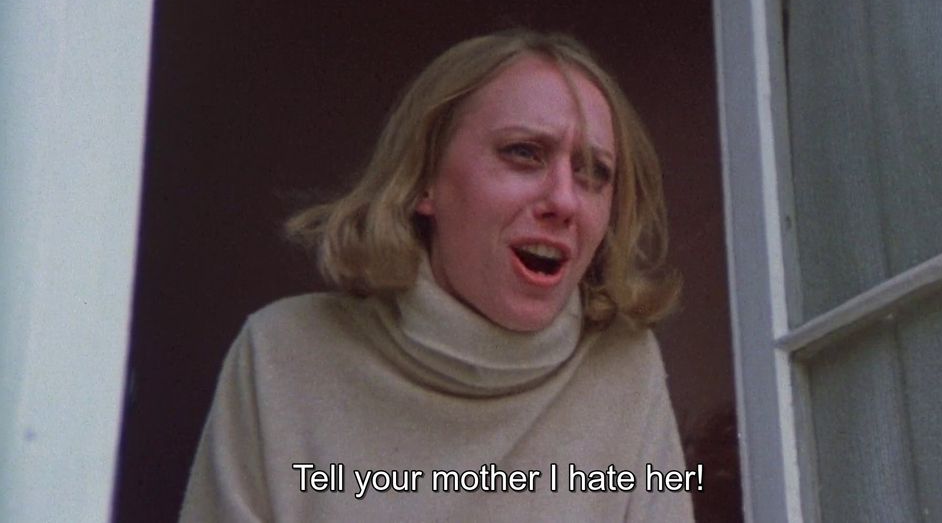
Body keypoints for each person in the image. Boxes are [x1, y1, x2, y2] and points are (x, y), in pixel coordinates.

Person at [180, 29, 693, 521]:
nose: (564, 200)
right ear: (424, 179)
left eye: (594, 172)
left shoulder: (624, 366)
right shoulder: (281, 354)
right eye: (524, 153)